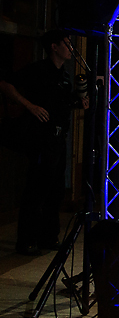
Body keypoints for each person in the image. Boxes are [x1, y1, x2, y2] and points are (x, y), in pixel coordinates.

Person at [0, 30, 89, 255]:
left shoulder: (65, 76)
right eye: (67, 44)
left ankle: (49, 237)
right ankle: (26, 240)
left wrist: (80, 103)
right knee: (36, 189)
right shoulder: (38, 70)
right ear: (54, 47)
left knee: (55, 190)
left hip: (59, 139)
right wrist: (29, 105)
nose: (71, 48)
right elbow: (6, 84)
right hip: (41, 138)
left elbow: (63, 103)